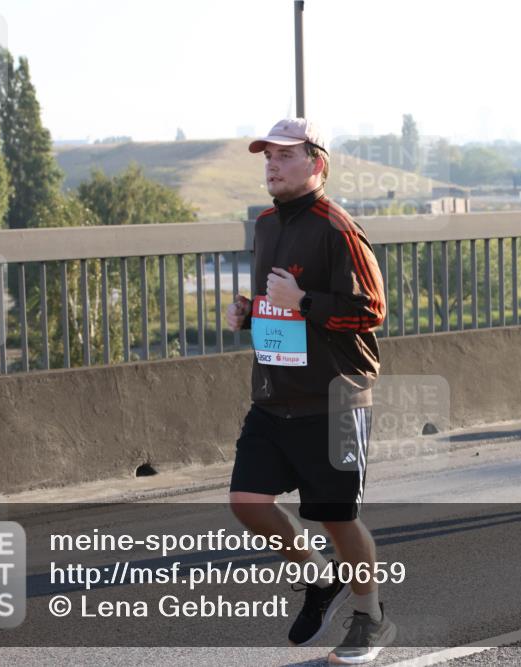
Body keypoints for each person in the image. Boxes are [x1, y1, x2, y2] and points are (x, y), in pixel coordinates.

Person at [225, 118, 396, 664]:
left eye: (284, 156)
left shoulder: (336, 227)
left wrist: (303, 301)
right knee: (247, 502)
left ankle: (369, 616)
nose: (271, 165)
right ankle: (319, 578)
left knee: (336, 517)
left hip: (335, 397)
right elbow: (279, 300)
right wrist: (252, 312)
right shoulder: (267, 223)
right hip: (274, 393)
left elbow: (372, 310)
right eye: (267, 157)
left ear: (317, 163)